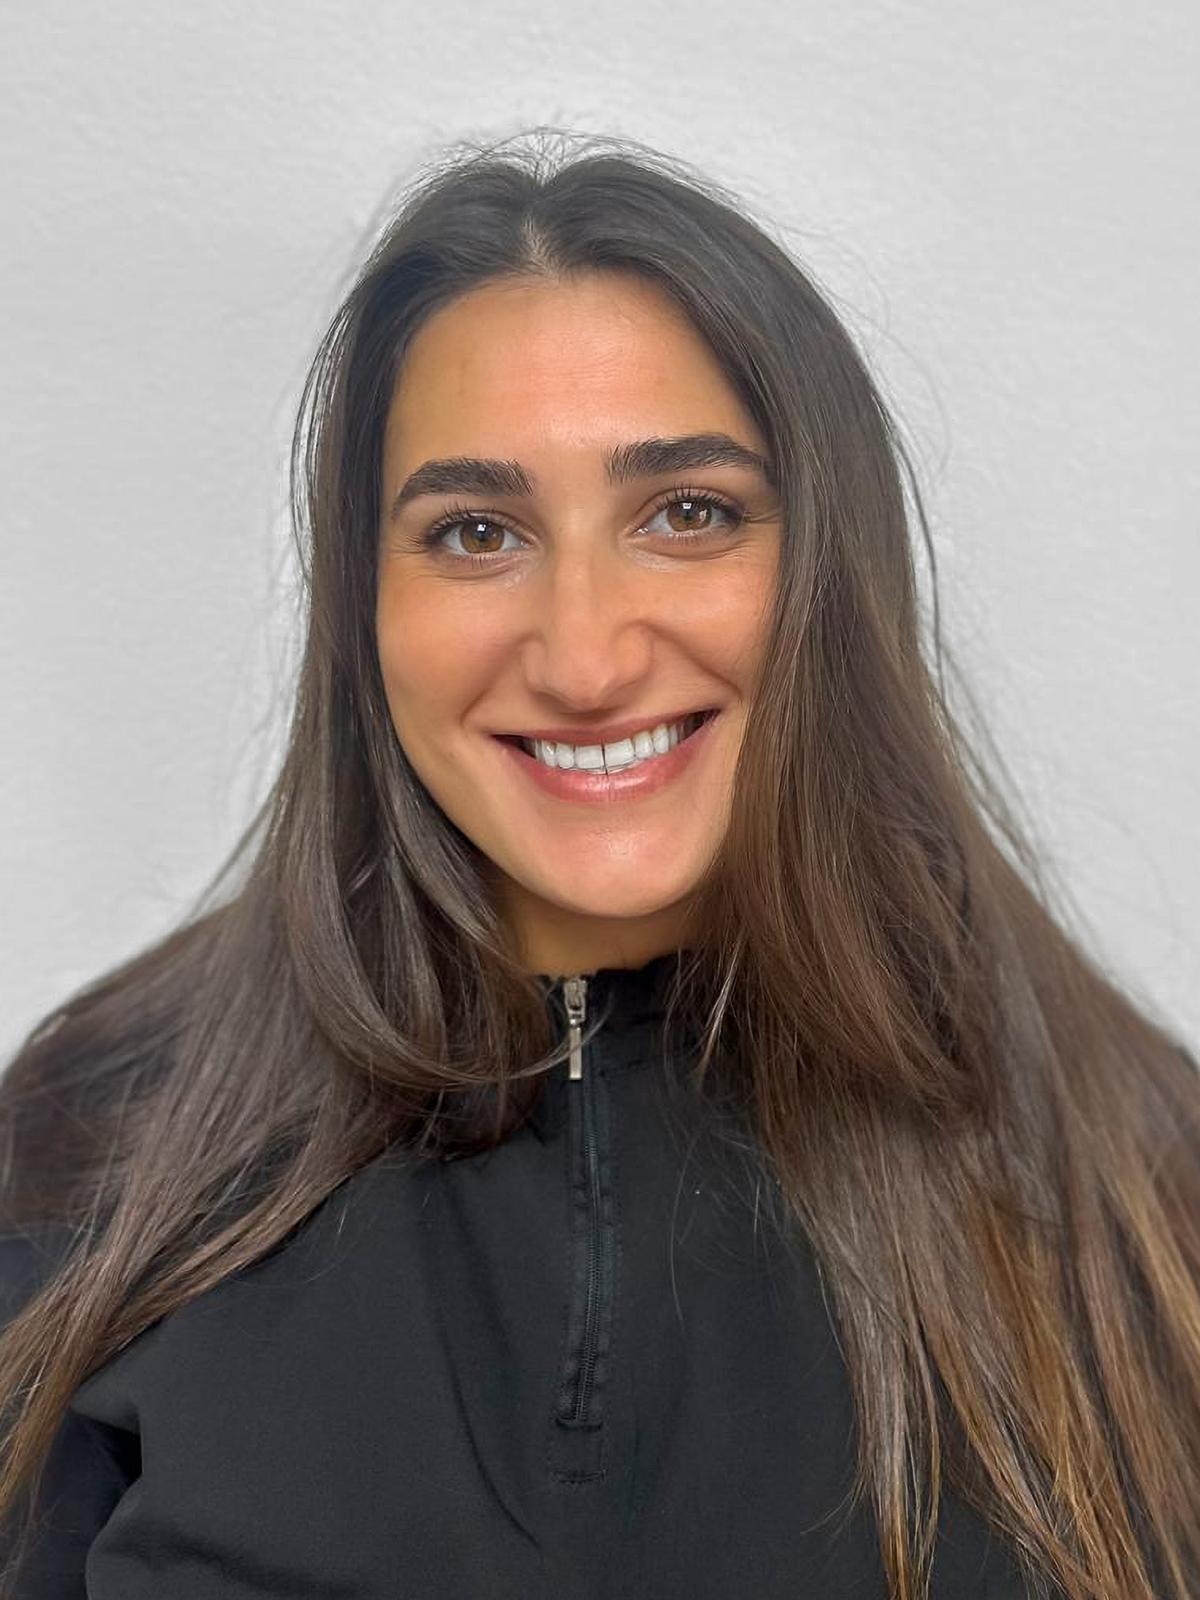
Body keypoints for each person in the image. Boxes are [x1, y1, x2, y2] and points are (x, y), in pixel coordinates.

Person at [0, 128, 1196, 1600]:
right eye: (476, 532)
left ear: (830, 567)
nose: (584, 657)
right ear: (364, 603)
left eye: (688, 514)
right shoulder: (100, 1135)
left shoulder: (1140, 1177)